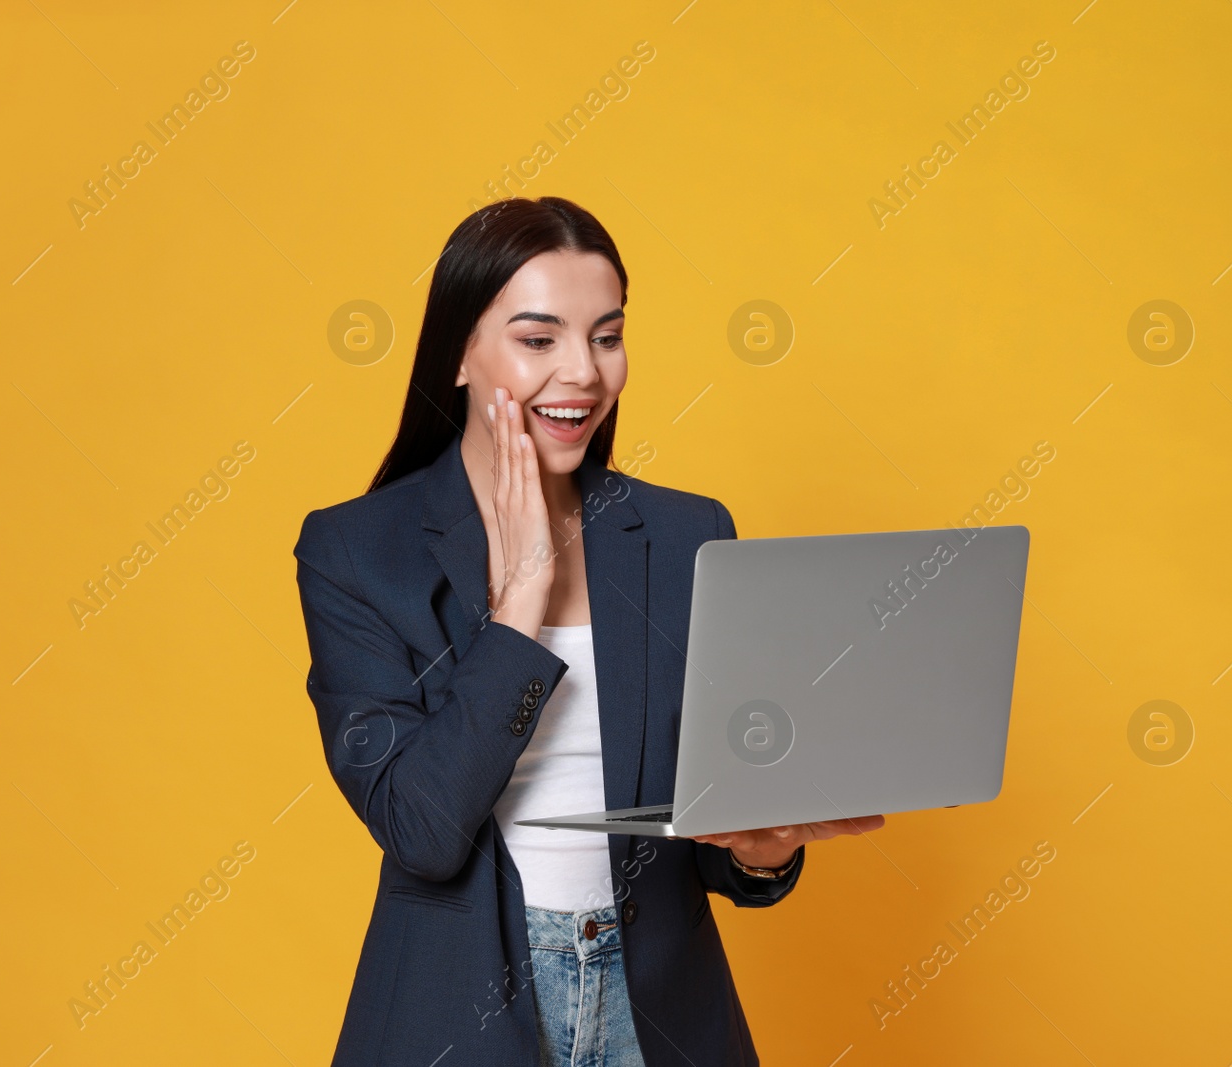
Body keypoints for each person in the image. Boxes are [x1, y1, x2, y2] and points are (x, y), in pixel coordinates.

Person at [294, 196, 884, 1066]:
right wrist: (524, 596)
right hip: (455, 1016)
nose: (582, 372)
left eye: (606, 336)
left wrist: (762, 851)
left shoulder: (688, 535)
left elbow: (712, 815)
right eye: (540, 340)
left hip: (661, 1009)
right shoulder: (356, 551)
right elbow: (421, 827)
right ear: (459, 352)